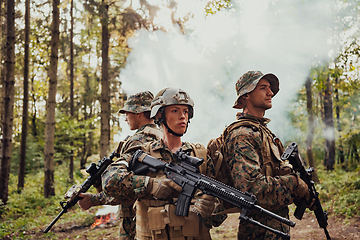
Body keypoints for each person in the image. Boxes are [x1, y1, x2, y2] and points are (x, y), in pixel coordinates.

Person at [101, 88, 226, 240]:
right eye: (175, 111)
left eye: (186, 112)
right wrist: (150, 184)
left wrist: (211, 209)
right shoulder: (142, 153)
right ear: (159, 115)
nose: (182, 117)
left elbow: (218, 215)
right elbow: (109, 180)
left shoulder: (200, 155)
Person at [223, 71, 310, 239]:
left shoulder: (262, 132)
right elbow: (251, 190)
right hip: (258, 231)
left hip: (274, 228)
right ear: (246, 96)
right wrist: (294, 184)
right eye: (263, 88)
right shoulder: (243, 134)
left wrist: (301, 192)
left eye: (270, 88)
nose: (270, 93)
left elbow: (275, 173)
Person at [78, 90, 162, 240]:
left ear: (138, 113)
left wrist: (93, 199)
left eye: (127, 113)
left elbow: (127, 189)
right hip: (158, 219)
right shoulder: (162, 136)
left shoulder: (138, 141)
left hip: (137, 222)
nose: (125, 118)